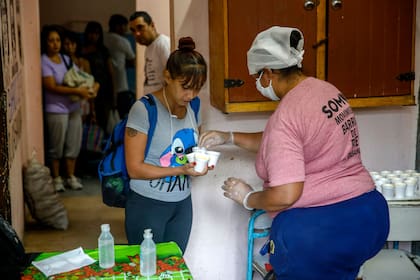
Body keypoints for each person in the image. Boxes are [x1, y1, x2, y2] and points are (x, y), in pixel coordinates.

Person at [199, 26, 390, 279]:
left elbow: (285, 195)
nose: (258, 82)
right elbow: (289, 142)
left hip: (318, 234)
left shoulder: (287, 116)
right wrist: (229, 137)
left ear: (269, 72)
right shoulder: (325, 91)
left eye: (257, 75)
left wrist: (248, 198)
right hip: (370, 217)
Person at [124, 37, 208, 253]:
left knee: (174, 269)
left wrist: (201, 161)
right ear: (167, 76)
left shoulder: (194, 105)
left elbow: (191, 147)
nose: (191, 95)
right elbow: (134, 168)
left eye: (197, 88)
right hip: (147, 205)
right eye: (185, 87)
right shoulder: (144, 110)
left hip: (181, 204)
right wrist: (180, 169)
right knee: (148, 272)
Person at [41, 25, 98, 191]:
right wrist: (77, 91)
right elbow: (50, 86)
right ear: (45, 43)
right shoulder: (44, 61)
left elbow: (80, 76)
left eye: (57, 40)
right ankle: (56, 177)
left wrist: (92, 87)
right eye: (51, 40)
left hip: (74, 107)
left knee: (73, 142)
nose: (55, 44)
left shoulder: (65, 59)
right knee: (56, 145)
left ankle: (70, 176)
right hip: (55, 109)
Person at [82, 21, 115, 134]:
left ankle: (103, 148)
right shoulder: (81, 50)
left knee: (104, 120)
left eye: (96, 33)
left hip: (104, 91)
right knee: (87, 121)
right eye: (91, 33)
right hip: (85, 90)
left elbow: (111, 73)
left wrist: (114, 94)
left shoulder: (103, 50)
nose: (93, 36)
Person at [128, 11, 170, 94]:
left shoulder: (163, 43)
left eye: (140, 27)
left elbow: (174, 78)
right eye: (133, 30)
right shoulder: (149, 47)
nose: (137, 34)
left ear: (152, 25)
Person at [104, 14, 136, 118]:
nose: (126, 29)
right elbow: (133, 61)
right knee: (123, 118)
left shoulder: (103, 38)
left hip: (105, 85)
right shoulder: (122, 41)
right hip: (121, 85)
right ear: (119, 26)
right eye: (125, 26)